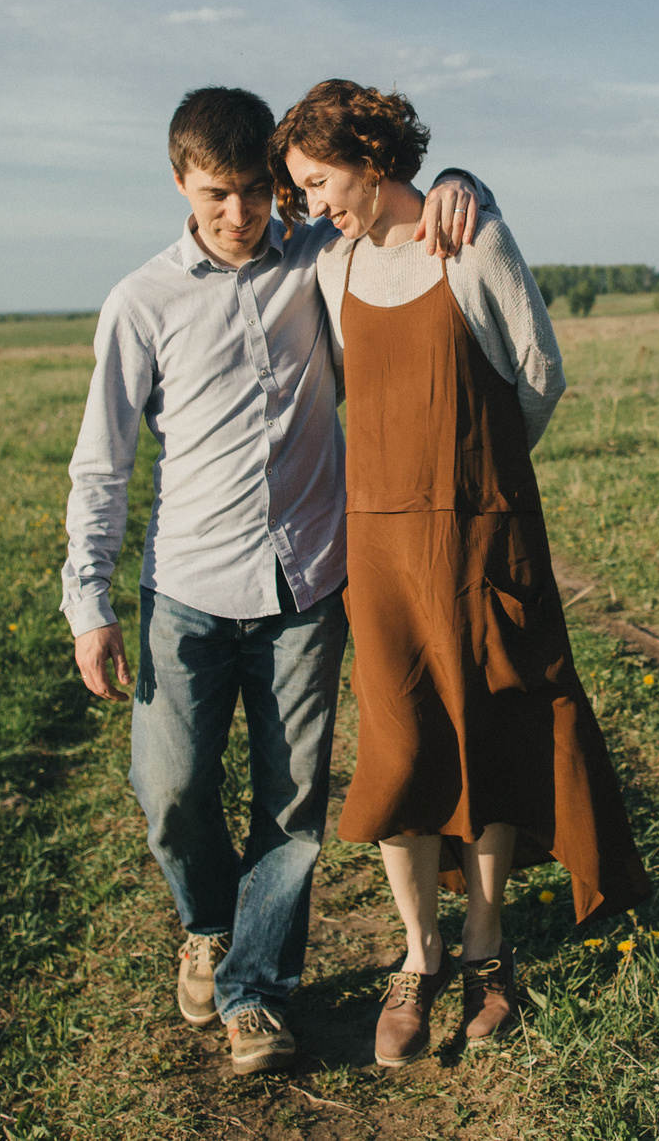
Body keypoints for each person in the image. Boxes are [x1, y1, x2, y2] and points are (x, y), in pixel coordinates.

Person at [59, 87, 489, 1075]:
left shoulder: (318, 262)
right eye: (217, 194)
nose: (239, 214)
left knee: (292, 806)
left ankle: (257, 991)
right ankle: (209, 922)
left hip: (305, 589)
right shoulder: (140, 302)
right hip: (188, 590)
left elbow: (397, 215)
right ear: (179, 182)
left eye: (255, 192)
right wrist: (89, 604)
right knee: (168, 789)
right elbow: (102, 464)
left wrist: (461, 183)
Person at [274, 80, 650, 1070]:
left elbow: (539, 376)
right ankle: (418, 955)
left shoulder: (472, 241)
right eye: (304, 191)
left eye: (321, 183)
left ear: (369, 154)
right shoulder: (333, 265)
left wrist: (479, 479)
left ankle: (487, 951)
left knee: (484, 738)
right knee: (398, 749)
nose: (316, 205)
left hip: (480, 536)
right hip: (381, 551)